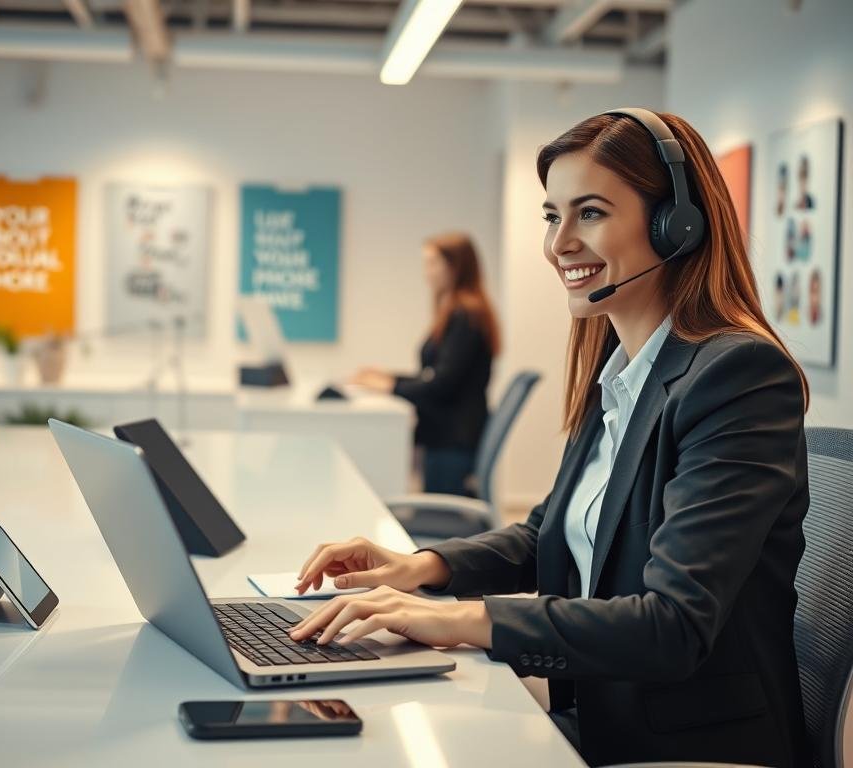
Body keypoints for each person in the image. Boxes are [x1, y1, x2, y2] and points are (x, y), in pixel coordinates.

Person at [288, 109, 812, 767]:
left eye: (589, 213)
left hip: (687, 745)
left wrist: (460, 621)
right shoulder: (617, 373)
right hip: (595, 716)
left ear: (677, 227)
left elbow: (672, 626)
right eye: (551, 215)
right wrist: (421, 568)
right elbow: (547, 533)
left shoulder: (738, 376)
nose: (558, 243)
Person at [350, 233, 500, 496]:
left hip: (452, 444)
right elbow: (433, 374)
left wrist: (390, 386)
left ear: (455, 267)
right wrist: (388, 377)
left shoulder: (466, 314)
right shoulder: (459, 310)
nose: (426, 273)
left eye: (432, 264)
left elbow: (442, 383)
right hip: (448, 439)